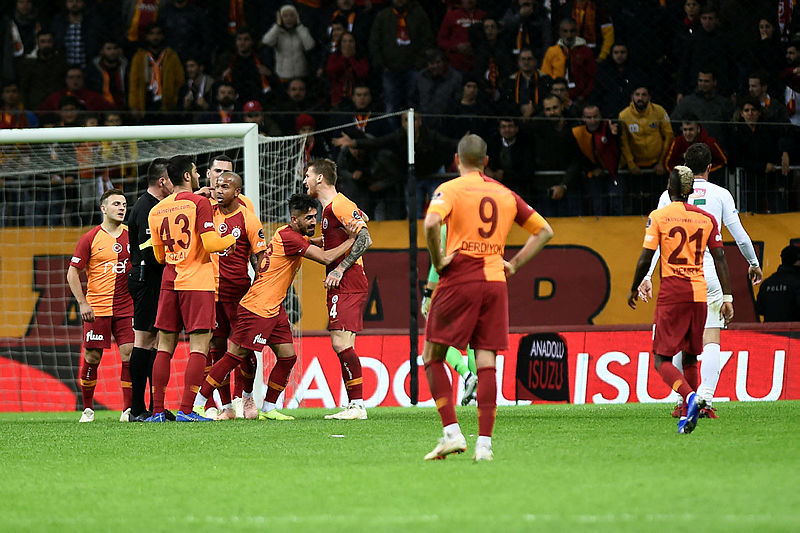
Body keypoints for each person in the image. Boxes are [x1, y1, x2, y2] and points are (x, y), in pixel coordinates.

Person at [421, 133, 553, 461]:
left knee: (432, 356)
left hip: (459, 277)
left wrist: (439, 261)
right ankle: (484, 446)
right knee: (486, 362)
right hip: (495, 280)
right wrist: (514, 264)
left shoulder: (450, 189)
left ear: (456, 160)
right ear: (487, 162)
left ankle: (452, 433)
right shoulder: (506, 194)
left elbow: (432, 222)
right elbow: (544, 231)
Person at [192, 193, 359, 420]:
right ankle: (198, 404)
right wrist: (351, 240)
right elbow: (326, 257)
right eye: (308, 218)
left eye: (315, 217)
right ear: (294, 219)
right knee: (234, 356)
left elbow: (316, 243)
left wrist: (337, 235)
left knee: (287, 357)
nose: (314, 222)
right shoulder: (291, 239)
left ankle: (269, 408)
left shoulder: (287, 233)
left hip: (274, 308)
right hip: (258, 306)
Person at [640, 143, 763, 418]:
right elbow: (740, 236)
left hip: (677, 274)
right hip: (708, 274)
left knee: (674, 341)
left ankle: (684, 399)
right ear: (710, 167)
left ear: (684, 165)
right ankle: (705, 398)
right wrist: (754, 264)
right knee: (710, 337)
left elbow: (656, 243)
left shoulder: (668, 196)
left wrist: (647, 276)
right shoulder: (721, 194)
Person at [627, 165, 734, 434]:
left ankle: (690, 397)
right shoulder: (707, 219)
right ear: (690, 190)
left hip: (673, 293)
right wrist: (727, 296)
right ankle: (689, 413)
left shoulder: (659, 216)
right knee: (690, 356)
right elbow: (720, 258)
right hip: (699, 293)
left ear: (669, 188)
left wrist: (634, 286)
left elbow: (646, 257)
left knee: (661, 359)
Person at [144, 155, 236, 422]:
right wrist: (231, 238)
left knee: (164, 347)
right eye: (195, 172)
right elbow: (211, 244)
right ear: (187, 176)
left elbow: (159, 256)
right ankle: (186, 410)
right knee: (199, 347)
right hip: (197, 282)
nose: (198, 176)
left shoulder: (157, 209)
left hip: (169, 281)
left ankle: (158, 411)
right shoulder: (199, 203)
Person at [304, 158, 373, 420]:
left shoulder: (339, 204)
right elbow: (348, 230)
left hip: (348, 280)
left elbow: (365, 238)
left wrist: (340, 268)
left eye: (308, 175)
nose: (305, 181)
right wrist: (307, 241)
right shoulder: (331, 209)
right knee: (344, 343)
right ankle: (354, 404)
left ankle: (357, 405)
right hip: (343, 282)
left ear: (320, 178)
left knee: (340, 342)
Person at [202, 171, 268, 420]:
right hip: (210, 292)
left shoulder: (248, 218)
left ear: (237, 192)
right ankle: (227, 406)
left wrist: (260, 287)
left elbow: (260, 258)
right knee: (216, 348)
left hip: (239, 293)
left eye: (225, 187)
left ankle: (247, 397)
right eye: (217, 186)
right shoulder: (207, 213)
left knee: (244, 348)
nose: (219, 190)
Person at [67, 189, 134, 422]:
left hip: (126, 307)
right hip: (97, 308)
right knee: (93, 357)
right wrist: (82, 303)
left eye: (124, 204)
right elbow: (72, 273)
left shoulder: (132, 235)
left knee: (129, 354)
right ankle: (87, 409)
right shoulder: (90, 238)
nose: (122, 208)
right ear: (103, 209)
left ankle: (127, 410)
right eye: (116, 204)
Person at [125, 158, 174, 422]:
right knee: (143, 340)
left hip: (155, 279)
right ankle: (136, 408)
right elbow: (148, 250)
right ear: (162, 181)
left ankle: (157, 407)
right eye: (171, 179)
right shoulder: (145, 207)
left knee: (155, 341)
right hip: (146, 279)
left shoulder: (159, 206)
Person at [420, 223, 478, 406]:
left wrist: (428, 294)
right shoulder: (477, 227)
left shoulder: (447, 229)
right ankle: (474, 394)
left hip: (451, 289)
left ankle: (467, 375)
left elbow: (437, 264)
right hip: (477, 287)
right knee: (472, 341)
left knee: (440, 340)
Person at [618, 84, 674, 215]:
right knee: (636, 201)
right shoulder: (624, 115)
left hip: (656, 166)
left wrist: (662, 162)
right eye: (637, 95)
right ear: (632, 97)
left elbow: (669, 136)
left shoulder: (659, 111)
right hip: (635, 167)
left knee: (656, 200)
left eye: (644, 95)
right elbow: (623, 142)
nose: (640, 98)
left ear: (649, 97)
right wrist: (631, 164)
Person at [369, 0, 433, 113]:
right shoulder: (383, 15)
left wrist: (419, 63)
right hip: (389, 69)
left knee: (413, 104)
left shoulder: (419, 15)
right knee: (391, 105)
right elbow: (374, 41)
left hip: (413, 69)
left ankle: (413, 125)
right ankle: (392, 125)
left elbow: (427, 40)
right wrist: (381, 64)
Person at [571, 103, 622, 216]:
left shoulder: (609, 128)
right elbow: (578, 156)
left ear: (600, 116)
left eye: (595, 116)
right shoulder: (577, 133)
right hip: (593, 174)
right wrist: (592, 169)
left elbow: (617, 147)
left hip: (614, 173)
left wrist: (615, 134)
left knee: (616, 204)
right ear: (583, 118)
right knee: (599, 206)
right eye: (589, 117)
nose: (593, 121)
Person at [128, 23, 185, 124]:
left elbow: (179, 81)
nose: (155, 37)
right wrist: (134, 106)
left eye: (158, 34)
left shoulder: (171, 56)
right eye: (151, 34)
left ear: (163, 36)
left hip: (166, 105)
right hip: (146, 103)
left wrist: (175, 101)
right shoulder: (139, 57)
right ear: (146, 36)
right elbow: (134, 83)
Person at [541, 17, 597, 104]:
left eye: (572, 31)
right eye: (565, 31)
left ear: (576, 32)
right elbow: (545, 77)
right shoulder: (552, 51)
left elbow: (592, 77)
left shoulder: (586, 51)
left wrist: (583, 96)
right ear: (560, 32)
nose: (569, 35)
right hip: (556, 99)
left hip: (581, 99)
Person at [261, 4, 316, 81]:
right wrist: (277, 26)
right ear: (281, 18)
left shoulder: (302, 30)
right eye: (285, 16)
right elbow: (266, 41)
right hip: (282, 76)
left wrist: (299, 26)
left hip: (301, 75)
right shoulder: (277, 32)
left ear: (296, 17)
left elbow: (310, 46)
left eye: (291, 15)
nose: (288, 19)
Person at [756, 245, 800, 322]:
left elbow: (760, 309)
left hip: (771, 328)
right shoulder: (797, 282)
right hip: (794, 328)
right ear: (796, 261)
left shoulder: (766, 283)